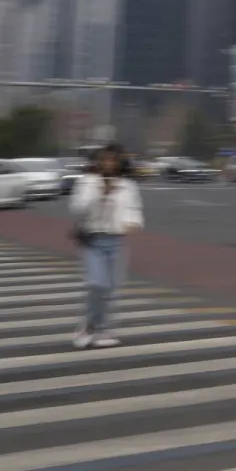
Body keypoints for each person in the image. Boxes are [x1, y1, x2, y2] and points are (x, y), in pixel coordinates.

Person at [69, 142, 143, 349]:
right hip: (93, 240)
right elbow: (77, 209)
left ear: (120, 162)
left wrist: (133, 222)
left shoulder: (128, 185)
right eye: (105, 160)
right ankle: (88, 326)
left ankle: (101, 328)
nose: (109, 164)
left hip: (116, 240)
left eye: (113, 160)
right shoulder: (87, 182)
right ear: (98, 162)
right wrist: (100, 193)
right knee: (96, 284)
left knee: (110, 288)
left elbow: (134, 208)